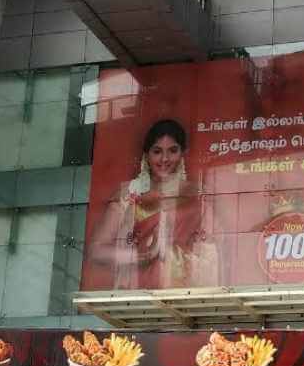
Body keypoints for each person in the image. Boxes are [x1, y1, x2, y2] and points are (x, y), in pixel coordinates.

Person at [90, 119, 217, 289]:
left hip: (182, 289)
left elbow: (213, 248)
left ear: (182, 154)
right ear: (146, 155)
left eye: (173, 151)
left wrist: (174, 253)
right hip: (137, 286)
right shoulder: (128, 194)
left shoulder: (198, 195)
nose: (165, 159)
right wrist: (141, 256)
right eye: (157, 151)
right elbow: (97, 250)